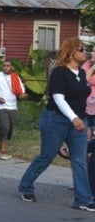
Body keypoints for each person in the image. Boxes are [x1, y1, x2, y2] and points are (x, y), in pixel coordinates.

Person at [18, 38, 95, 211]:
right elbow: (58, 98)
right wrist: (74, 118)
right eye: (82, 49)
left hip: (78, 122)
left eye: (86, 49)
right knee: (47, 155)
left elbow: (83, 95)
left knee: (80, 159)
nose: (85, 52)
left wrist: (80, 120)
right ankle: (26, 186)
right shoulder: (59, 72)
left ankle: (82, 199)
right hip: (56, 119)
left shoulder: (82, 73)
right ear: (71, 52)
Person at [0, 59, 28, 160]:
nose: (5, 67)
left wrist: (25, 96)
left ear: (12, 67)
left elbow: (20, 94)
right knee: (4, 126)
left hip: (12, 106)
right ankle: (2, 149)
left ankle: (2, 144)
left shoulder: (16, 78)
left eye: (8, 66)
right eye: (4, 65)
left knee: (10, 128)